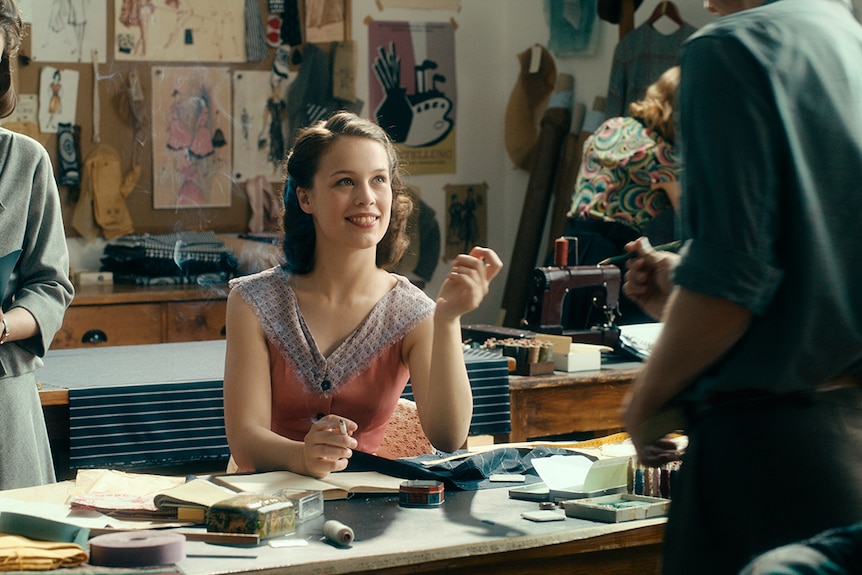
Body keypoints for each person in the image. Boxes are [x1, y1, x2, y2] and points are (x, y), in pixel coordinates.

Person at [618, 0, 862, 573]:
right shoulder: (844, 36)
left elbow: (732, 285)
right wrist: (683, 299)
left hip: (767, 457)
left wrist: (645, 399)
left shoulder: (726, 48)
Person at [223, 110, 503, 479]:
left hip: (371, 512)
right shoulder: (252, 301)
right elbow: (245, 441)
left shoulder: (413, 312)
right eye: (345, 182)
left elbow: (449, 437)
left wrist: (448, 318)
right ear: (306, 198)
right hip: (269, 504)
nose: (366, 198)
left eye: (379, 180)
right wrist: (302, 456)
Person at [0, 0, 75, 490]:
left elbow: (50, 287)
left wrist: (3, 324)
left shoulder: (24, 161)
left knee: (18, 555)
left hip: (4, 407)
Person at [563, 65, 681, 326]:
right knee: (612, 347)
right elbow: (690, 217)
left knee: (562, 337)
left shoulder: (611, 126)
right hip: (611, 253)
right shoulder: (660, 153)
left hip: (570, 246)